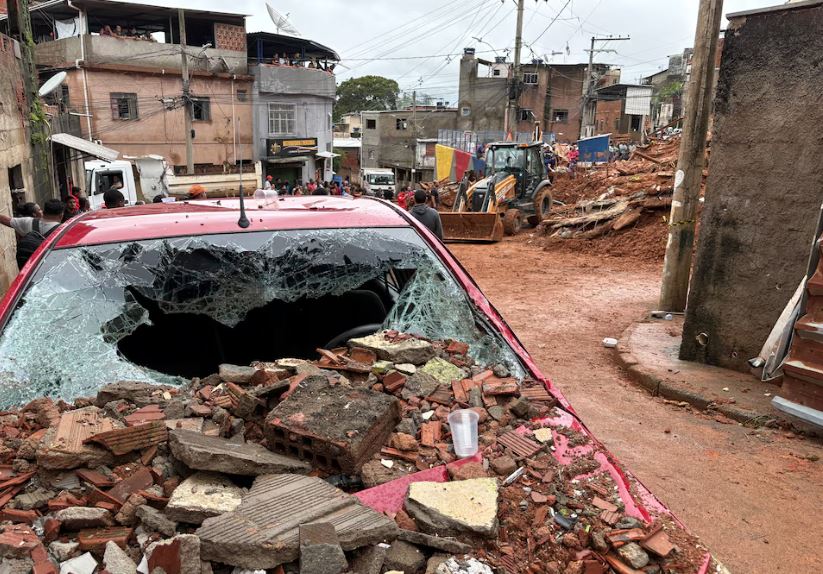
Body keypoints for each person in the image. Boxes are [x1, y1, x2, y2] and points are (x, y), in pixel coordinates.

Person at [9, 199, 65, 269]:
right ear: (61, 215)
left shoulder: (27, 222)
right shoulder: (63, 230)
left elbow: (6, 220)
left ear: (44, 212)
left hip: (28, 272)